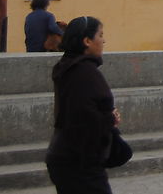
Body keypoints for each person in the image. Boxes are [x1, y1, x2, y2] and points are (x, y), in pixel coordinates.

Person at [45, 16, 120, 194]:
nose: (103, 40)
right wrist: (110, 118)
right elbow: (84, 118)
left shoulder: (67, 66)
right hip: (80, 160)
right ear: (87, 41)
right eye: (100, 35)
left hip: (65, 155)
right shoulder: (84, 72)